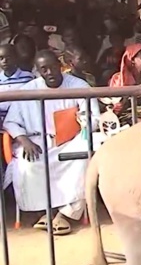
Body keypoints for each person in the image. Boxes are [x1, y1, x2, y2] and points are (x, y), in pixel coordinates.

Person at [2, 50, 100, 235]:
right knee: (27, 165)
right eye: (44, 69)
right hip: (36, 141)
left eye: (52, 67)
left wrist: (82, 120)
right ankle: (45, 213)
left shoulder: (79, 85)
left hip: (70, 139)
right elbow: (11, 122)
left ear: (60, 66)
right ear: (38, 71)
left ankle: (65, 214)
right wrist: (24, 140)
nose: (49, 73)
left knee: (80, 159)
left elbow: (93, 118)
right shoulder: (28, 90)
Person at [0, 44, 34, 125]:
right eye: (1, 58)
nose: (4, 61)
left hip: (23, 121)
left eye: (8, 58)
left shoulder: (28, 77)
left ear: (16, 58)